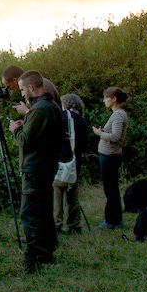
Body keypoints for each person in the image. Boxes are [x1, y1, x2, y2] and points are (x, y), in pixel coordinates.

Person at [9, 70, 63, 272]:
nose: (22, 94)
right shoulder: (52, 107)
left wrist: (15, 129)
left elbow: (25, 141)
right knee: (44, 211)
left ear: (32, 88)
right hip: (47, 167)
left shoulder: (39, 110)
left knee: (30, 213)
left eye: (23, 89)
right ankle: (46, 253)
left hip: (35, 169)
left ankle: (32, 259)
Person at [92, 86, 129, 230]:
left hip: (110, 156)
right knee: (111, 189)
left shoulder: (118, 115)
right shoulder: (118, 114)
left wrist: (99, 133)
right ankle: (114, 220)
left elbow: (115, 137)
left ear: (113, 99)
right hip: (110, 156)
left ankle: (112, 221)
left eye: (106, 97)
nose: (104, 100)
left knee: (110, 190)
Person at [54, 93, 89, 234]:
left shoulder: (63, 117)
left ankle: (57, 223)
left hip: (62, 159)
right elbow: (84, 144)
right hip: (76, 160)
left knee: (57, 191)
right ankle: (73, 225)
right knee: (72, 192)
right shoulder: (82, 121)